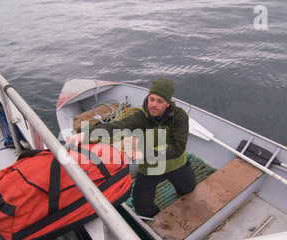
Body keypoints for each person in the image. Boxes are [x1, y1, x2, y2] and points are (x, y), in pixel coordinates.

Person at [66, 78, 196, 217]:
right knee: (142, 207)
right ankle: (156, 220)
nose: (153, 105)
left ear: (168, 103)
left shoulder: (179, 116)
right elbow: (118, 126)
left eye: (160, 101)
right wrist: (85, 134)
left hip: (176, 164)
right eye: (151, 99)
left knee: (189, 189)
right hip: (150, 168)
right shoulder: (141, 117)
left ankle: (180, 192)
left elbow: (177, 148)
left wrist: (143, 154)